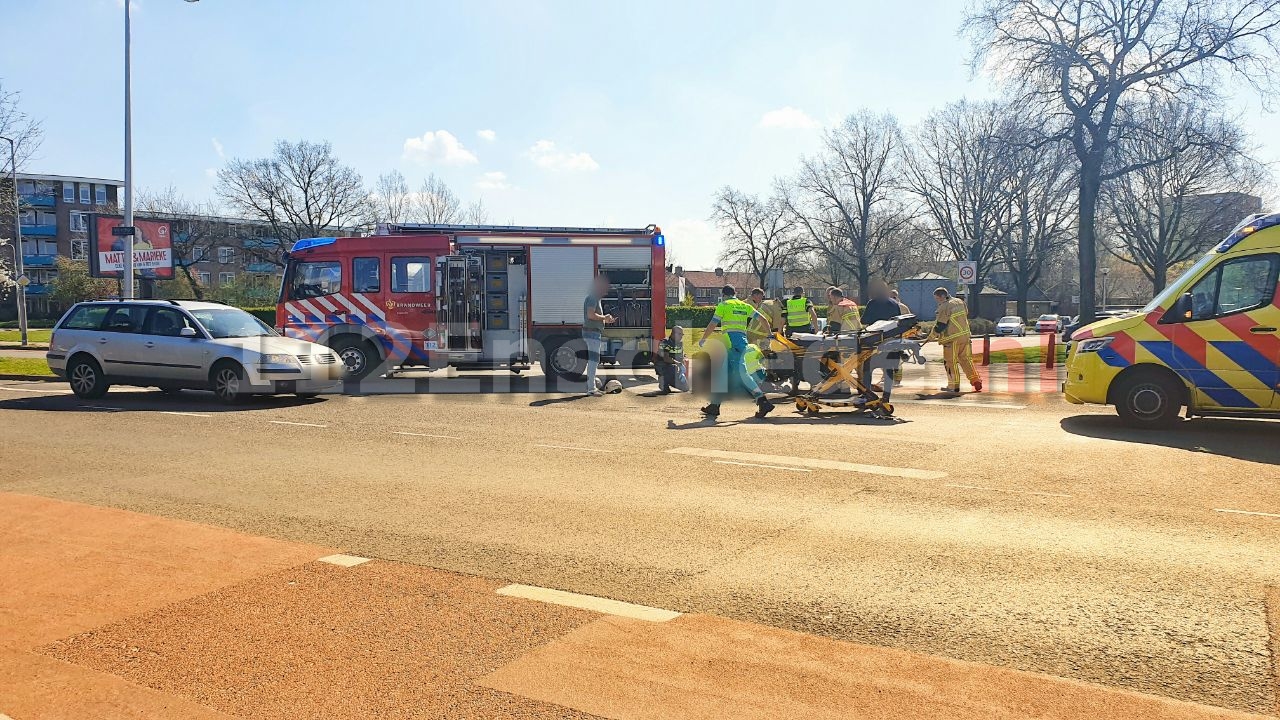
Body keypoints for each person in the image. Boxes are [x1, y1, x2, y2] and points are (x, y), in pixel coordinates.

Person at [699, 285, 775, 419]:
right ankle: (714, 405)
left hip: (730, 342)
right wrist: (769, 333)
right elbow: (763, 319)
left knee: (742, 373)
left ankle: (763, 401)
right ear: (735, 293)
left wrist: (704, 338)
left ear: (724, 294)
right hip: (741, 341)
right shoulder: (744, 305)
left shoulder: (723, 305)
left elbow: (713, 323)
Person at [931, 287, 983, 393]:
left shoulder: (944, 306)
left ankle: (953, 385)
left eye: (937, 298)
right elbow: (965, 314)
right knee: (966, 359)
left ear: (942, 296)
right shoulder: (960, 302)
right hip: (965, 336)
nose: (937, 300)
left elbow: (940, 324)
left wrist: (932, 336)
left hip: (952, 338)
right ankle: (975, 380)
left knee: (950, 362)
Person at [583, 275, 616, 396]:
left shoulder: (595, 298)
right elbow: (590, 315)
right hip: (592, 332)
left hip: (592, 332)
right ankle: (591, 389)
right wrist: (605, 317)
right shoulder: (593, 298)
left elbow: (593, 316)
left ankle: (592, 386)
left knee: (593, 360)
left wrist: (606, 319)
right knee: (593, 360)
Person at [655, 326, 687, 393]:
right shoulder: (665, 342)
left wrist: (682, 364)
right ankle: (663, 382)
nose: (681, 336)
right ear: (673, 334)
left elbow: (681, 356)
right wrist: (677, 363)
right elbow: (666, 358)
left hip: (673, 367)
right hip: (662, 366)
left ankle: (670, 381)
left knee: (685, 388)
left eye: (682, 334)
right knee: (672, 368)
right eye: (679, 334)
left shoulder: (680, 344)